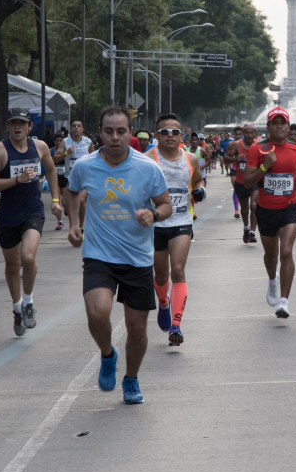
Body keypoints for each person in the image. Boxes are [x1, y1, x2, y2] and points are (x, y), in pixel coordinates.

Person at [66, 106, 171, 404]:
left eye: (121, 131)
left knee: (136, 327)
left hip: (137, 257)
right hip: (99, 254)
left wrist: (153, 214)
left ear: (130, 133)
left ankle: (131, 378)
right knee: (97, 312)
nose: (115, 137)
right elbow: (72, 191)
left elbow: (166, 204)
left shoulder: (147, 167)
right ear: (99, 133)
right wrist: (73, 224)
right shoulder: (85, 166)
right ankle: (107, 353)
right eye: (109, 131)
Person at [0, 107, 62, 336]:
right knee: (12, 265)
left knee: (28, 257)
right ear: (8, 127)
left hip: (33, 211)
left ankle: (28, 303)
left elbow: (51, 170)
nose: (17, 127)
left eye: (22, 123)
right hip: (8, 215)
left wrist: (55, 199)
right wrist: (17, 179)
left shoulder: (40, 147)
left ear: (30, 127)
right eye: (13, 123)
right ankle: (17, 307)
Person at [146, 114, 205, 346]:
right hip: (155, 224)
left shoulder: (191, 159)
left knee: (178, 271)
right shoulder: (147, 160)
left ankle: (176, 325)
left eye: (174, 132)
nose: (169, 135)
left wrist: (200, 190)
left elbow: (198, 180)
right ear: (156, 135)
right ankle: (163, 303)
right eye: (164, 132)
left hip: (181, 221)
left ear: (181, 136)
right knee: (161, 276)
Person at [244, 107, 296, 318]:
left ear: (288, 127)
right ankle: (273, 280)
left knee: (286, 252)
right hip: (266, 209)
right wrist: (265, 167)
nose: (279, 126)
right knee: (271, 256)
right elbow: (247, 182)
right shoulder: (258, 149)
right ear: (268, 127)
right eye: (275, 123)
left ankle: (284, 301)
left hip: (290, 207)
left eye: (283, 123)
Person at [53, 120, 95, 232]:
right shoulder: (65, 142)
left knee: (81, 200)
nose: (76, 127)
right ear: (71, 129)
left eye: (79, 126)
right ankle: (73, 223)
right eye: (74, 126)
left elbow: (94, 158)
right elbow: (55, 158)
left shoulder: (88, 142)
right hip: (70, 178)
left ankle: (80, 226)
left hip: (84, 178)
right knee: (65, 203)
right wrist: (66, 153)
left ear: (82, 129)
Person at [224, 123, 259, 244]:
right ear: (243, 133)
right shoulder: (235, 145)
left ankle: (252, 232)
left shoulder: (259, 145)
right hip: (241, 182)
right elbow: (226, 159)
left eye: (252, 133)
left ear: (255, 134)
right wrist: (235, 159)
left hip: (255, 181)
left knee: (254, 206)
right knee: (244, 209)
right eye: (247, 133)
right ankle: (246, 228)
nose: (249, 135)